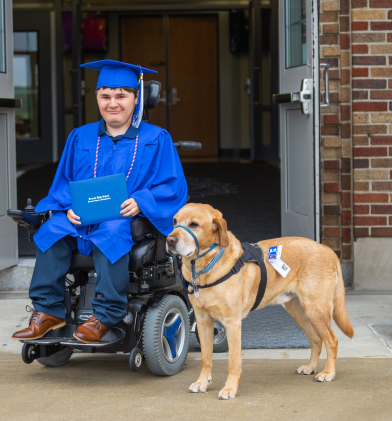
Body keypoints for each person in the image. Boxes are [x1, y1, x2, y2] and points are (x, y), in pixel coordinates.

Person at [12, 60, 187, 344]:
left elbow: (172, 185)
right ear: (97, 98)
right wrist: (64, 208)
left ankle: (105, 315)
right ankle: (48, 311)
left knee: (112, 231)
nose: (112, 103)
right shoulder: (80, 136)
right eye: (105, 96)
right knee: (52, 230)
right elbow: (64, 182)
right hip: (81, 220)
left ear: (135, 98)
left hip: (126, 220)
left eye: (121, 96)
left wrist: (142, 201)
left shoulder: (156, 138)